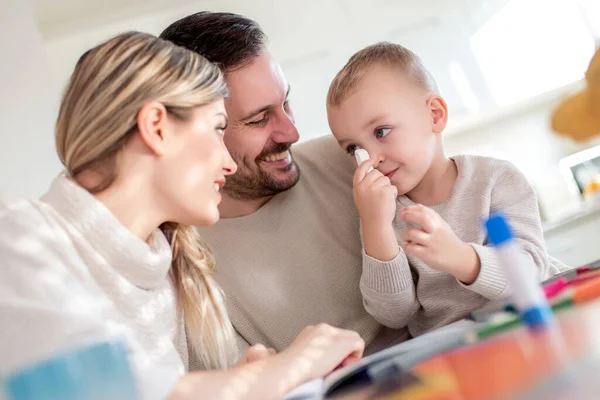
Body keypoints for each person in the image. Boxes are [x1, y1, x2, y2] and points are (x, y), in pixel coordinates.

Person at [0, 31, 365, 400]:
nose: (226, 161)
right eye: (217, 128)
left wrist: (246, 383)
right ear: (156, 128)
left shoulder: (159, 274)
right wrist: (286, 368)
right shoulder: (17, 230)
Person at [159, 13, 405, 366]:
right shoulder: (179, 264)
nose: (291, 132)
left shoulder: (352, 162)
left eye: (285, 103)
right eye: (259, 119)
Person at [325, 42, 568, 336]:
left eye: (381, 132)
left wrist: (460, 257)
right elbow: (395, 314)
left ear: (435, 115)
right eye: (354, 148)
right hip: (464, 351)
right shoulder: (379, 213)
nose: (371, 158)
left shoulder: (495, 179)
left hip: (541, 324)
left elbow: (532, 273)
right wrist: (375, 226)